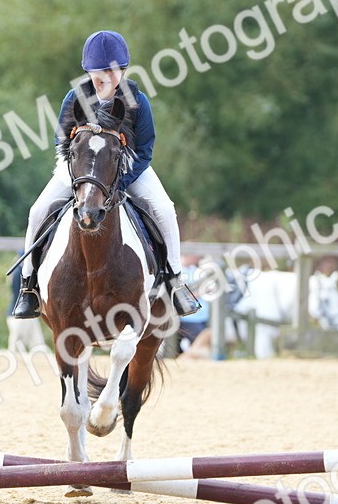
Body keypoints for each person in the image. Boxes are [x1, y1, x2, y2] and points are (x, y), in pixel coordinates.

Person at [12, 29, 201, 319]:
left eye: (114, 71)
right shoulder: (75, 98)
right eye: (101, 72)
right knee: (38, 210)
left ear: (123, 70)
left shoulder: (137, 100)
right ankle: (28, 286)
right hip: (78, 170)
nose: (108, 77)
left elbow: (145, 149)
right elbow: (61, 141)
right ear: (89, 72)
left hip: (128, 169)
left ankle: (175, 282)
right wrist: (76, 178)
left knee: (165, 209)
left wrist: (119, 182)